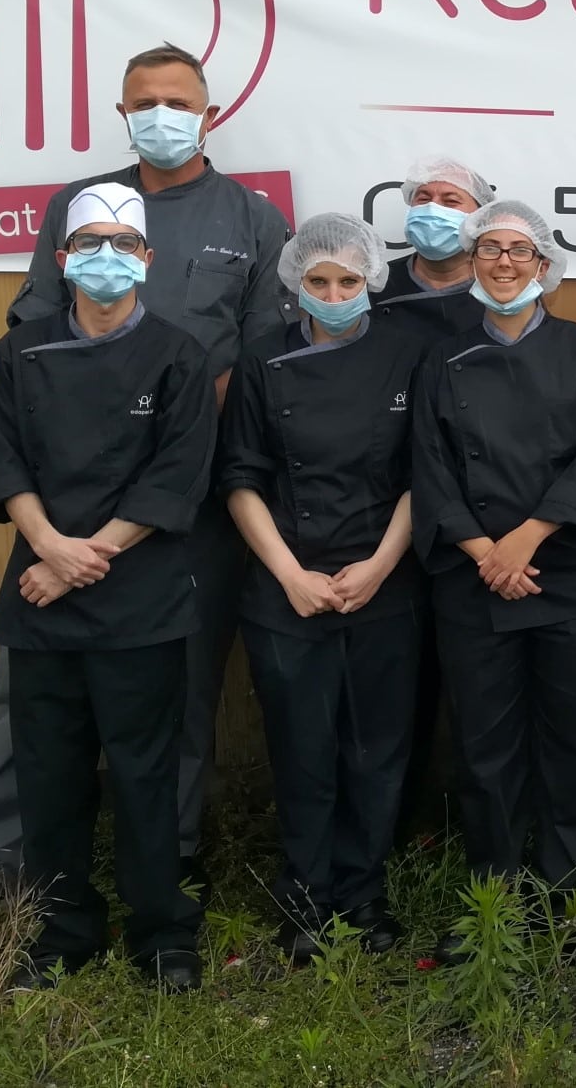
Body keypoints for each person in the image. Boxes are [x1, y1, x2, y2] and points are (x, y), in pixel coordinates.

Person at [0, 45, 291, 949]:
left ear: (210, 112)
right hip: (62, 507)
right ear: (122, 110)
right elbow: (34, 334)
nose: (160, 113)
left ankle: (164, 868)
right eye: (143, 100)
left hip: (187, 500)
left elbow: (261, 363)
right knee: (27, 702)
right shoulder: (79, 206)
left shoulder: (252, 220)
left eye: (177, 100)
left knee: (179, 695)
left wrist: (177, 433)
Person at [0, 183, 216, 992]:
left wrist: (89, 556)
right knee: (49, 775)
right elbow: (7, 464)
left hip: (138, 599)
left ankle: (160, 931)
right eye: (90, 245)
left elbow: (176, 475)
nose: (105, 258)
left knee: (147, 775)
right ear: (62, 258)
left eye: (123, 244)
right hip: (42, 599)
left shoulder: (181, 356)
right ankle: (60, 930)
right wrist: (47, 546)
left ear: (147, 260)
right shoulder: (19, 351)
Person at [410, 201, 576, 949]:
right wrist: (484, 553)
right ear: (470, 263)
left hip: (572, 575)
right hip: (475, 579)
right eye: (490, 249)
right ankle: (493, 905)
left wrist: (525, 541)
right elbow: (430, 470)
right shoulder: (441, 358)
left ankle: (569, 906)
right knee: (485, 749)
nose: (504, 262)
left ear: (546, 268)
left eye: (520, 251)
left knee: (574, 742)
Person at [222, 214, 426, 962]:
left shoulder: (410, 356)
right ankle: (304, 901)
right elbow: (240, 478)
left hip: (385, 584)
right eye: (319, 282)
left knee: (376, 753)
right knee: (303, 751)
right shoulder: (261, 361)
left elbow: (421, 478)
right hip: (288, 588)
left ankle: (365, 898)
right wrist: (289, 574)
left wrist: (376, 567)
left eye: (349, 280)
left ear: (372, 280)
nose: (335, 293)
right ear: (295, 283)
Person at [369, 154, 495, 838]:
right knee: (399, 691)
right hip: (381, 512)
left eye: (453, 197)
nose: (436, 206)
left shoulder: (498, 290)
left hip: (474, 520)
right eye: (424, 194)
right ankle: (395, 830)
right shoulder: (374, 287)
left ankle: (466, 831)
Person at [373, 155, 495, 344]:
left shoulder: (501, 288)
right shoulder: (377, 283)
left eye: (451, 201)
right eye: (423, 199)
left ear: (480, 218)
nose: (432, 208)